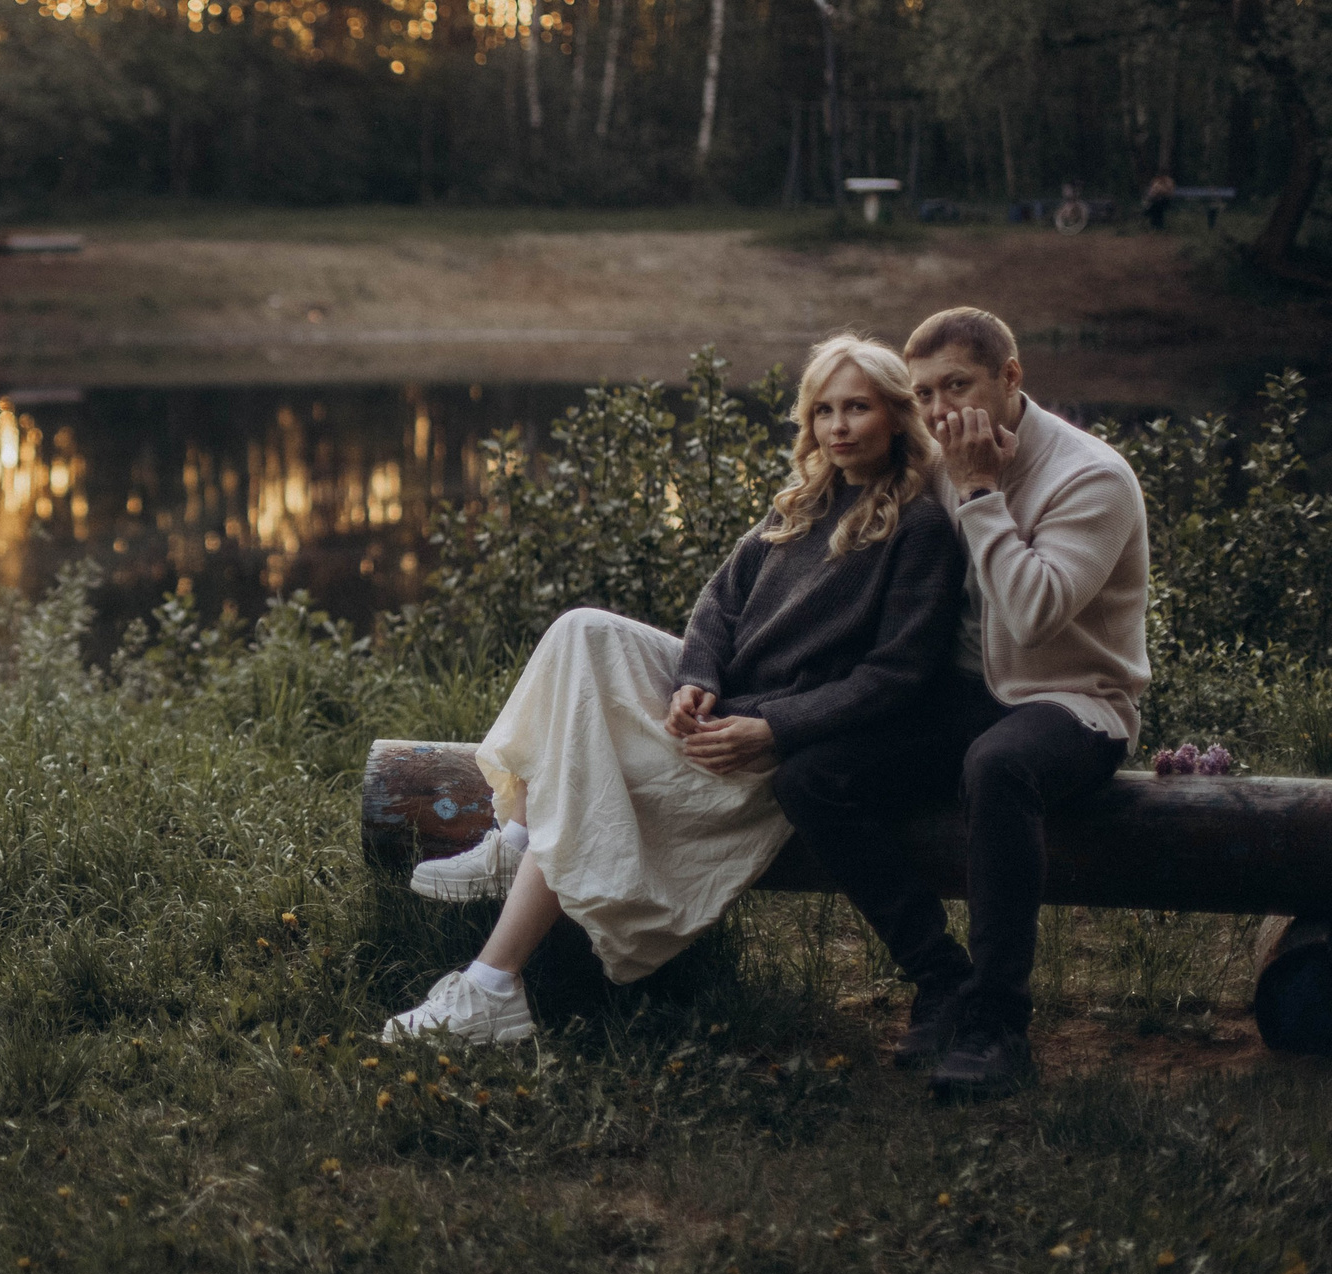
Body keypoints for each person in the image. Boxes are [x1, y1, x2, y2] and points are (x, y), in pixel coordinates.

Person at [388, 336, 965, 1046]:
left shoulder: (922, 528)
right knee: (583, 631)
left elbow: (894, 674)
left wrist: (773, 729)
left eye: (858, 408)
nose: (838, 426)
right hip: (725, 700)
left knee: (600, 768)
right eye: (824, 410)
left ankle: (493, 986)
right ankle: (517, 835)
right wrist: (696, 678)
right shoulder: (802, 502)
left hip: (767, 736)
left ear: (896, 417)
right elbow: (718, 603)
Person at [772, 307, 1148, 1101]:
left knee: (1000, 762)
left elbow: (1036, 611)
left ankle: (997, 1024)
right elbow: (840, 524)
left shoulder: (1092, 477)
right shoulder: (936, 457)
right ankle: (942, 979)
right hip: (962, 697)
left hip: (1075, 702)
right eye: (925, 392)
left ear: (1010, 378)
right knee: (810, 775)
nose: (941, 410)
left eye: (958, 385)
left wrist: (979, 492)